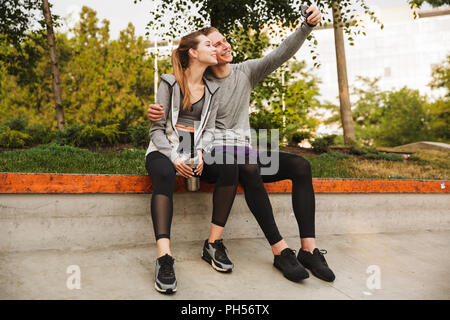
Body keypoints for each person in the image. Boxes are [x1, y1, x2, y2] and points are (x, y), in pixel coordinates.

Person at [148, 5, 335, 283]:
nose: (223, 46)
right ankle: (280, 250)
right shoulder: (200, 82)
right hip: (218, 152)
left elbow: (280, 53)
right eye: (214, 43)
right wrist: (161, 125)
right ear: (203, 52)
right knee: (245, 166)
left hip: (245, 149)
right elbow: (177, 118)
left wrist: (305, 26)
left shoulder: (245, 71)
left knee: (299, 165)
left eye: (223, 41)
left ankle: (308, 249)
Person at [146, 29, 239, 294]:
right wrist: (175, 157)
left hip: (195, 148)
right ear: (194, 53)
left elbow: (209, 129)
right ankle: (164, 258)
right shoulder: (169, 82)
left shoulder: (213, 89)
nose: (214, 49)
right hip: (164, 148)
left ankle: (212, 244)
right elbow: (156, 130)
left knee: (229, 167)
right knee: (164, 173)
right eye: (208, 44)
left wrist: (200, 152)